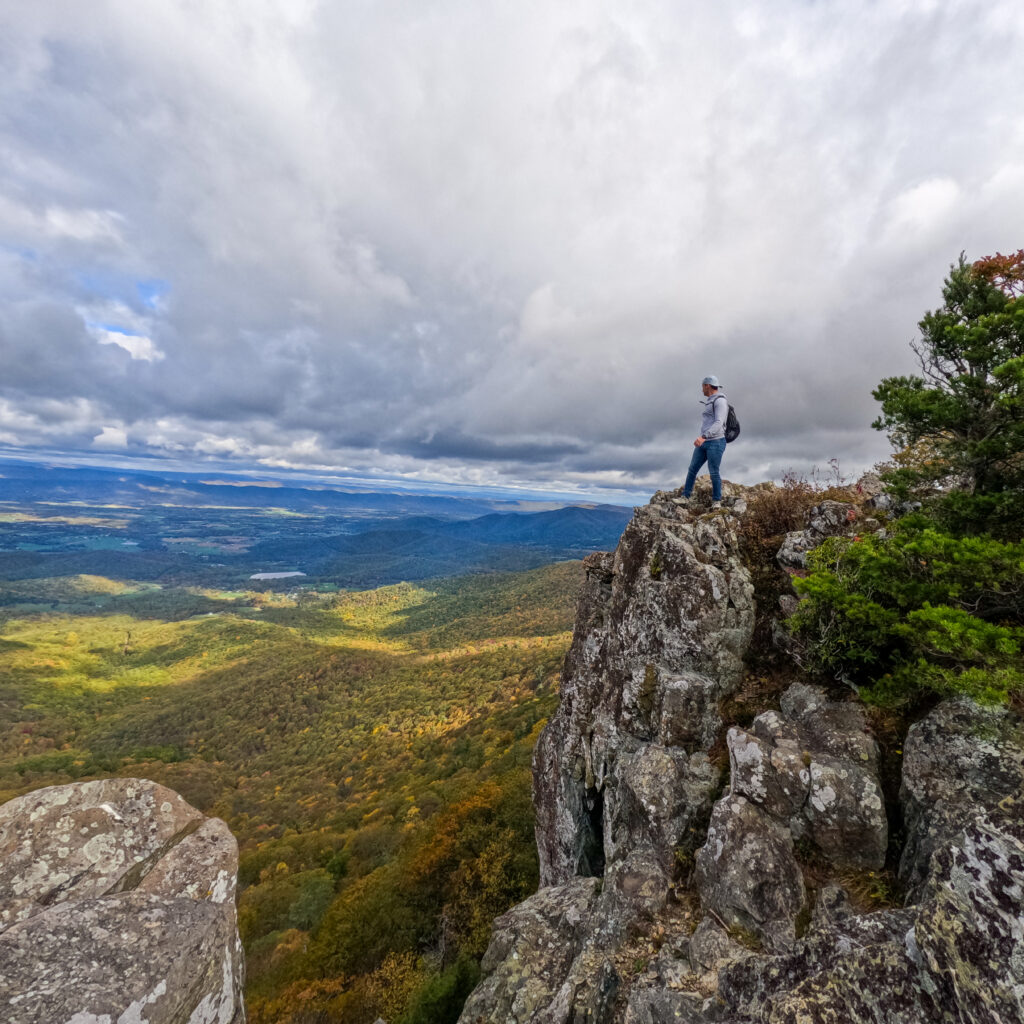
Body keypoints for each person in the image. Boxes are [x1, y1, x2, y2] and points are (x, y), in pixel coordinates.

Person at [674, 375, 728, 509]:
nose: (702, 390)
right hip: (705, 442)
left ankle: (716, 501)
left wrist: (704, 436)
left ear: (707, 386)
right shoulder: (710, 401)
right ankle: (685, 497)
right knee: (692, 469)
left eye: (702, 387)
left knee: (714, 471)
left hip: (716, 441)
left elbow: (719, 423)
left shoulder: (720, 401)